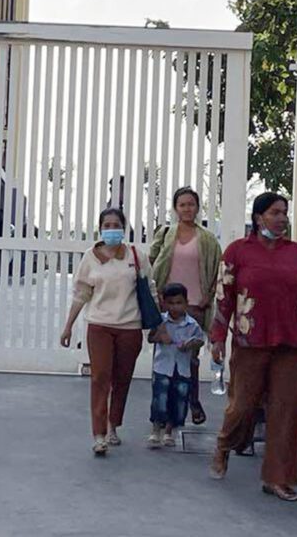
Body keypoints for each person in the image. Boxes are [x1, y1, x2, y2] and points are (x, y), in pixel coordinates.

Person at [208, 192, 297, 502]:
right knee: (242, 406)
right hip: (250, 341)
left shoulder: (296, 253)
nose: (282, 218)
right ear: (259, 218)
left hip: (290, 342)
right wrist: (218, 337)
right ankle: (224, 444)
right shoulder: (237, 252)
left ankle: (278, 478)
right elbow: (223, 296)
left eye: (285, 212)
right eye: (275, 212)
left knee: (286, 412)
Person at [60, 208, 155, 456]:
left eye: (116, 225)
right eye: (107, 225)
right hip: (99, 326)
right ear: (100, 228)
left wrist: (157, 324)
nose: (112, 229)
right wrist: (68, 325)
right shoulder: (90, 258)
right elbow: (81, 293)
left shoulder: (136, 256)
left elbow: (150, 290)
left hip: (130, 326)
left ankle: (114, 425)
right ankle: (99, 433)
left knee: (121, 380)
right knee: (100, 377)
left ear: (123, 228)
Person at [148, 187, 222, 425]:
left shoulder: (208, 239)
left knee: (190, 359)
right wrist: (158, 294)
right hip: (167, 306)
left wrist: (207, 298)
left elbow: (216, 272)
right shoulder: (166, 233)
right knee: (163, 358)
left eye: (191, 204)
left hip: (194, 307)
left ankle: (192, 400)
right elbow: (152, 262)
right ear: (176, 208)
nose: (187, 209)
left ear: (197, 207)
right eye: (182, 205)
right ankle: (163, 410)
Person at [147, 283, 205, 449]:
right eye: (171, 303)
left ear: (186, 303)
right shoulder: (161, 321)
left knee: (178, 400)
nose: (175, 307)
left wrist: (190, 345)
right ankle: (156, 430)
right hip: (162, 367)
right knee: (160, 398)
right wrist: (160, 336)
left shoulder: (192, 324)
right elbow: (151, 338)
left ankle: (169, 432)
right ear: (165, 304)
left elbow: (200, 340)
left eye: (178, 303)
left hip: (182, 369)